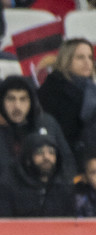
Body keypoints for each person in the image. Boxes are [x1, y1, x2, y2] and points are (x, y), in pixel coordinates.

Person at [0, 76, 75, 202]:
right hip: (7, 200)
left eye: (23, 99)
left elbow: (67, 161)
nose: (17, 106)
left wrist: (57, 186)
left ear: (32, 101)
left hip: (50, 198)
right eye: (11, 99)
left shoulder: (47, 123)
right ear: (1, 100)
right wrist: (2, 186)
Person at [37, 38, 96, 166]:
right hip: (69, 160)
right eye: (80, 57)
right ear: (66, 60)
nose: (87, 62)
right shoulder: (52, 89)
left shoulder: (91, 89)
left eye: (90, 57)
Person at [0, 133, 73, 218]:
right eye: (39, 152)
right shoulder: (7, 185)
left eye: (51, 152)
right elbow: (1, 221)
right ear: (27, 159)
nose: (46, 157)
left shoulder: (64, 186)